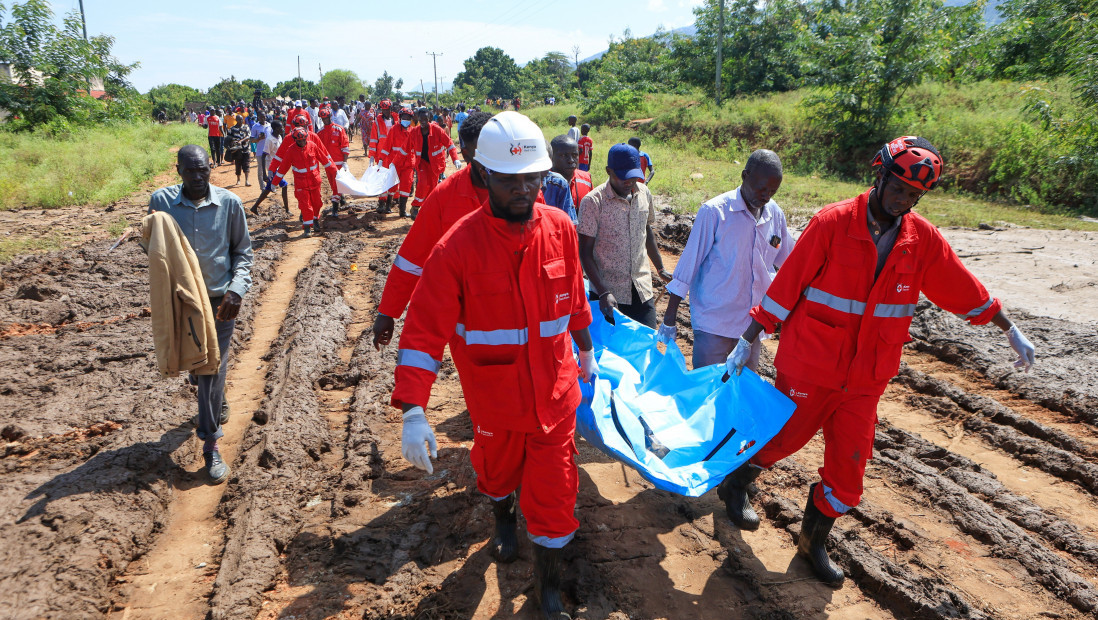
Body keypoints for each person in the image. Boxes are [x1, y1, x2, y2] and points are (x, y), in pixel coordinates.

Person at [718, 136, 1038, 586]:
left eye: (913, 195)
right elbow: (787, 285)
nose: (903, 200)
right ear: (880, 175)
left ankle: (812, 544)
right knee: (781, 441)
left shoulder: (920, 239)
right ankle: (734, 483)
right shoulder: (832, 223)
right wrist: (747, 338)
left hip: (867, 376)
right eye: (898, 188)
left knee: (848, 473)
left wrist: (1007, 326)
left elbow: (959, 285)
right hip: (812, 363)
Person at [391, 111, 596, 620]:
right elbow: (424, 331)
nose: (524, 190)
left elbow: (573, 300)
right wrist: (414, 409)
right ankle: (503, 516)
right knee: (497, 474)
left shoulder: (560, 229)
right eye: (510, 181)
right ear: (484, 176)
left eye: (533, 178)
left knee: (555, 494)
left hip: (555, 394)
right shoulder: (457, 246)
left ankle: (547, 591)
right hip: (495, 399)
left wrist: (586, 351)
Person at [148, 145, 253, 483]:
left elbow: (243, 254)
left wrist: (237, 290)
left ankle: (210, 444)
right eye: (189, 171)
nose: (196, 177)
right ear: (178, 170)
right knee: (197, 364)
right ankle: (214, 396)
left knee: (211, 367)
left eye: (202, 170)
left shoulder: (230, 204)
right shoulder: (161, 203)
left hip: (221, 301)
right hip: (182, 302)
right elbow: (154, 245)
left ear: (211, 167)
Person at [658, 150, 792, 370]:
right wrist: (670, 317)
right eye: (761, 188)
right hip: (714, 324)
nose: (766, 196)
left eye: (772, 191)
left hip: (751, 329)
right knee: (708, 391)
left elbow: (789, 263)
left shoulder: (774, 214)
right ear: (745, 175)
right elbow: (687, 266)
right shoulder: (715, 212)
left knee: (740, 395)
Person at [371, 111, 493, 349]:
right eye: (483, 153)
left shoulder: (525, 192)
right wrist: (388, 311)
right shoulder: (445, 197)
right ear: (467, 153)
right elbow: (411, 257)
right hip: (468, 321)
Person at [578, 143, 671, 328]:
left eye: (633, 177)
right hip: (609, 296)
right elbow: (585, 253)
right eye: (623, 178)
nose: (629, 183)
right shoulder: (593, 202)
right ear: (608, 171)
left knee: (646, 345)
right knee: (613, 354)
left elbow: (647, 231)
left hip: (642, 289)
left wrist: (660, 269)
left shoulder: (644, 193)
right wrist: (603, 292)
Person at [268, 126, 339, 237]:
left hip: (315, 181)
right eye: (299, 140)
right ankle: (307, 228)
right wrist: (274, 183)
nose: (301, 142)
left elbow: (325, 160)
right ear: (295, 140)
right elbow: (283, 168)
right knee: (305, 205)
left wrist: (336, 172)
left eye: (303, 140)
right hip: (301, 184)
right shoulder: (291, 150)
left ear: (306, 137)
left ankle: (315, 221)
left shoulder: (313, 146)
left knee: (317, 203)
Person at [408, 106, 461, 219]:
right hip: (422, 163)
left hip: (435, 165)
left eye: (425, 119)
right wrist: (395, 163)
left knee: (432, 188)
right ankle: (415, 207)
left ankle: (428, 209)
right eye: (421, 119)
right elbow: (405, 148)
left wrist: (455, 158)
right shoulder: (414, 132)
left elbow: (450, 144)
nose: (423, 122)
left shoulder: (437, 130)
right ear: (418, 118)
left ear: (429, 118)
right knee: (422, 183)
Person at [378, 107, 417, 217]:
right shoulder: (394, 129)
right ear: (400, 118)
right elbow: (387, 146)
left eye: (408, 118)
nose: (406, 120)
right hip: (394, 163)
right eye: (404, 118)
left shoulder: (413, 131)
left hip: (409, 163)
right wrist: (381, 159)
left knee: (406, 185)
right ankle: (388, 206)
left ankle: (402, 210)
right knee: (392, 185)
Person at [317, 107, 349, 214]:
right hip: (328, 164)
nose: (325, 120)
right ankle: (341, 198)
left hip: (339, 163)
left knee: (336, 185)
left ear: (330, 116)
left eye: (326, 118)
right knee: (333, 184)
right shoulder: (320, 133)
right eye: (323, 118)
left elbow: (345, 146)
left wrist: (345, 162)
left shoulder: (339, 129)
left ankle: (335, 208)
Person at [549, 135, 592, 212]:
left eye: (575, 155)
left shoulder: (586, 179)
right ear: (551, 157)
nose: (571, 160)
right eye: (563, 155)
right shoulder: (542, 183)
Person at [225, 114, 252, 187]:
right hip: (237, 150)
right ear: (236, 120)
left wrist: (241, 141)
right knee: (238, 164)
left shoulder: (246, 127)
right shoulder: (232, 128)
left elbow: (248, 136)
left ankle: (247, 180)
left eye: (241, 119)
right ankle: (238, 179)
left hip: (246, 149)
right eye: (239, 119)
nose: (241, 121)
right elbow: (229, 138)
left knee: (246, 164)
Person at [250, 113, 273, 186]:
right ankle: (262, 188)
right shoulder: (255, 127)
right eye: (261, 117)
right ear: (258, 117)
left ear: (265, 117)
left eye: (264, 117)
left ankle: (270, 185)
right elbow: (252, 140)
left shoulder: (269, 125)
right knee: (261, 171)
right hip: (260, 151)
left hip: (269, 151)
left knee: (270, 169)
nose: (262, 118)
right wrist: (259, 138)